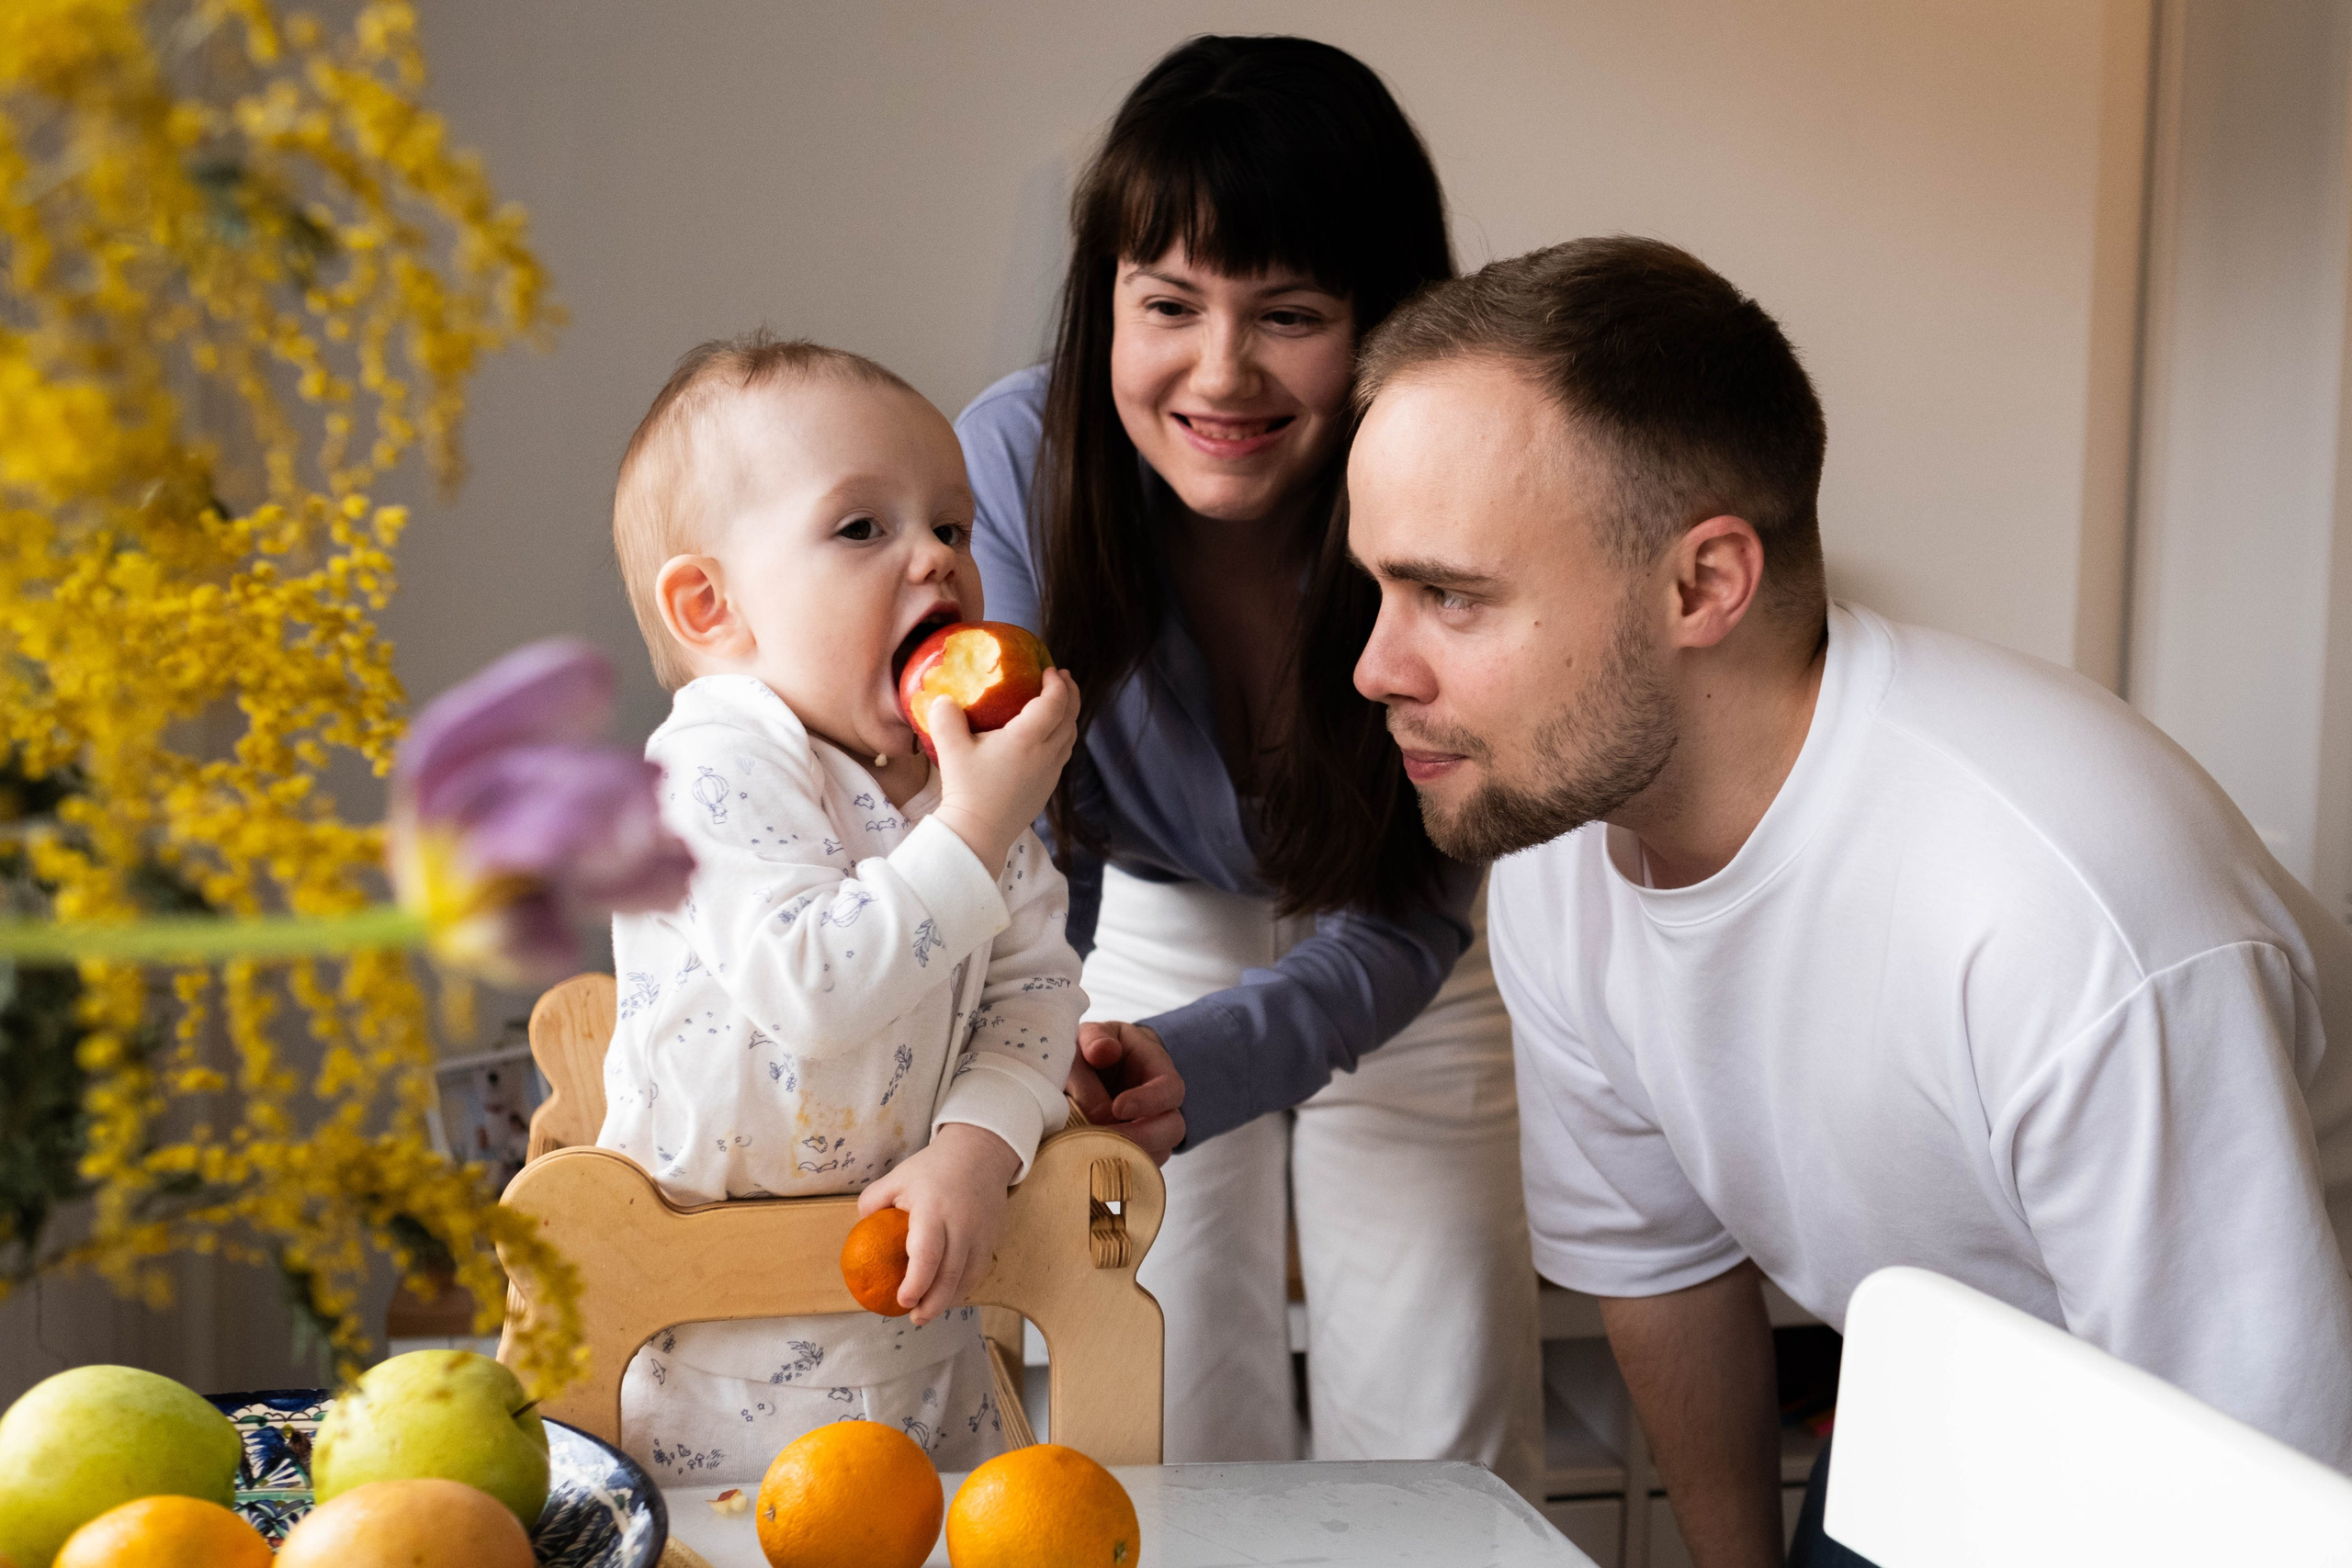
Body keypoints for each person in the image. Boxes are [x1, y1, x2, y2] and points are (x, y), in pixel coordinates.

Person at [1344, 234, 2352, 1567]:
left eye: (1451, 596)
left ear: (1705, 584)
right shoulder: (1561, 849)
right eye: (1379, 588)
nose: (1374, 667)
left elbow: (2259, 1482)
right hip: (1944, 1405)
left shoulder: (2056, 913)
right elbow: (1662, 1265)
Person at [956, 35, 1544, 1491]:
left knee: (1436, 1418)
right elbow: (1008, 839)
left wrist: (1224, 1052)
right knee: (1153, 1398)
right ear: (1109, 301)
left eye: (1290, 313)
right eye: (1168, 305)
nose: (1222, 373)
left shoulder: (1460, 480)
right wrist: (1022, 1073)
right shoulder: (1014, 465)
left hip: (1402, 933)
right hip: (1143, 920)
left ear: (1388, 322)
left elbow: (1410, 903)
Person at [595, 333, 1086, 1485]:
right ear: (711, 608)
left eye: (952, 527)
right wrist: (976, 827)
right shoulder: (708, 767)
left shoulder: (961, 780)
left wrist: (976, 1150)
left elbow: (1037, 996)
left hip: (925, 1335)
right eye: (863, 528)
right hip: (710, 1347)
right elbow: (809, 989)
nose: (936, 561)